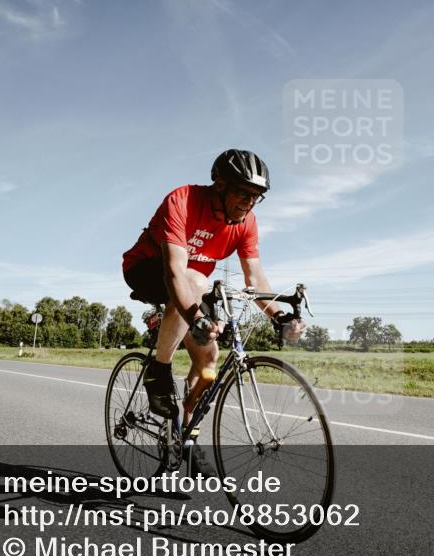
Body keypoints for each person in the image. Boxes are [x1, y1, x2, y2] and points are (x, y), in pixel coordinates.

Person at [121, 149, 305, 469]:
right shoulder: (184, 200)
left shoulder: (246, 223)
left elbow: (254, 277)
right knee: (195, 280)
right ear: (219, 184)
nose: (249, 202)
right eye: (243, 192)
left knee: (209, 360)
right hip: (149, 269)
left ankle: (187, 438)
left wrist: (279, 315)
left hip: (192, 284)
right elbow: (175, 273)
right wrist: (197, 317)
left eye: (257, 196)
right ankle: (159, 371)